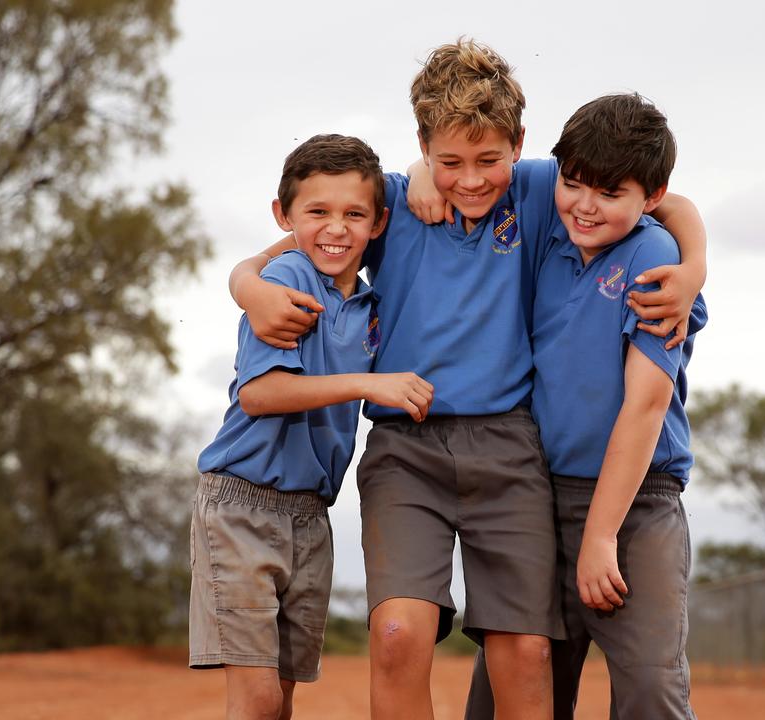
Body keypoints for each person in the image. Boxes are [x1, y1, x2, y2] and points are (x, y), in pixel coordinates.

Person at [228, 40, 707, 720]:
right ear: (422, 146)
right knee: (397, 635)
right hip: (406, 450)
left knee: (526, 651)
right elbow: (294, 242)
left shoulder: (546, 190)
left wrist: (695, 268)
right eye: (449, 162)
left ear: (519, 145)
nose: (472, 179)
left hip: (512, 450)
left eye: (489, 161)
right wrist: (247, 286)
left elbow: (665, 199)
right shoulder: (389, 200)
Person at [466, 93, 707, 720]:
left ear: (647, 196)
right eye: (573, 185)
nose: (585, 205)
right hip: (537, 496)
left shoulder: (653, 257)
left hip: (635, 504)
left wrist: (601, 536)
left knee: (651, 689)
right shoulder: (550, 223)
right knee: (509, 687)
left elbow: (646, 406)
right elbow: (465, 166)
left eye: (608, 194)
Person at [189, 134, 433, 720]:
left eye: (354, 214)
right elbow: (260, 393)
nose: (336, 228)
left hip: (310, 515)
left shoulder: (370, 306)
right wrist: (369, 384)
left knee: (283, 699)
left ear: (378, 224)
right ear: (285, 216)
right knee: (257, 698)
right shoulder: (288, 281)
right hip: (242, 504)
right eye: (317, 212)